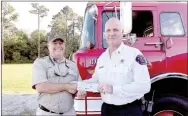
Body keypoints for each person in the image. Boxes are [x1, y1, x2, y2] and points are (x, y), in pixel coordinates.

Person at [77, 17, 151, 116]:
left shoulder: (134, 54)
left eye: (115, 30)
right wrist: (83, 87)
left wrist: (113, 89)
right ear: (105, 34)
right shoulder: (102, 58)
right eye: (108, 30)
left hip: (129, 110)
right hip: (107, 110)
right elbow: (96, 79)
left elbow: (144, 86)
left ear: (122, 32)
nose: (111, 34)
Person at [32, 37, 78, 115]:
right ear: (48, 46)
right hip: (47, 113)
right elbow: (41, 87)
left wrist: (79, 92)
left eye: (61, 43)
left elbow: (77, 87)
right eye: (55, 43)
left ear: (64, 46)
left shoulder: (73, 65)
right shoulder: (40, 63)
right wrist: (67, 86)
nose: (58, 46)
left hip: (69, 113)